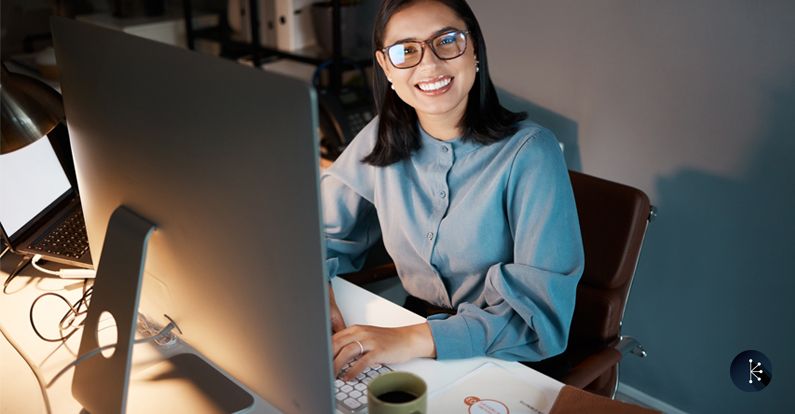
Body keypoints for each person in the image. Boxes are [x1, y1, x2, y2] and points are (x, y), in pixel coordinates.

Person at [323, 0, 584, 381]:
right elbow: (317, 232)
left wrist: (413, 340)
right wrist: (319, 290)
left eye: (447, 41)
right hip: (412, 331)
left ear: (474, 48)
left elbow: (540, 319)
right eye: (406, 50)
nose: (428, 64)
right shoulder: (382, 135)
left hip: (509, 357)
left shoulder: (531, 154)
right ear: (386, 67)